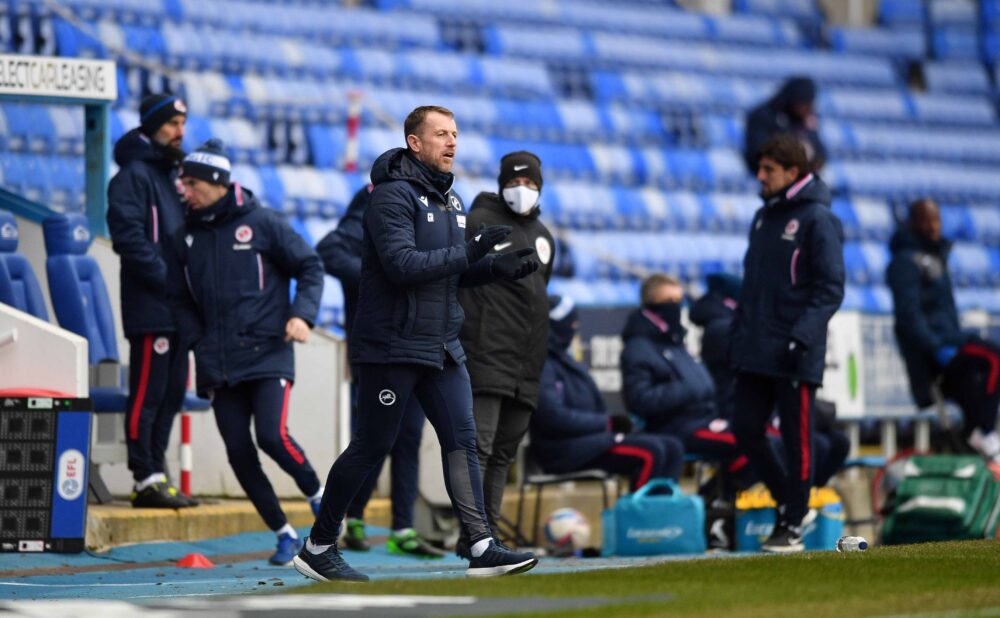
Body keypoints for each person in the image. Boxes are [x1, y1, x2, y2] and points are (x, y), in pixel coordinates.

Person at [296, 106, 540, 582]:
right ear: (414, 142)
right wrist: (471, 252)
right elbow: (403, 266)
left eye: (455, 134)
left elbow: (447, 273)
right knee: (372, 445)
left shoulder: (451, 199)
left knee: (462, 440)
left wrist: (493, 268)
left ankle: (481, 544)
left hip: (441, 343)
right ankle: (318, 545)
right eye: (441, 134)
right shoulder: (390, 196)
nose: (452, 142)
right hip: (393, 343)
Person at [171, 139, 327, 566]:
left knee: (272, 436)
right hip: (217, 361)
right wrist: (197, 340)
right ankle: (283, 534)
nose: (186, 190)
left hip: (267, 351)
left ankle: (319, 497)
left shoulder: (263, 222)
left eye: (192, 183)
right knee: (239, 450)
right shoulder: (184, 235)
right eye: (183, 183)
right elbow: (178, 299)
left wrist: (302, 315)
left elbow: (310, 266)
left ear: (217, 182)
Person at [729, 134, 845, 553]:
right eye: (760, 168)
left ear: (793, 172)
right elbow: (752, 287)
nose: (760, 177)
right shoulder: (763, 218)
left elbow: (830, 289)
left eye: (769, 170)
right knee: (745, 428)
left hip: (795, 351)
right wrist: (738, 338)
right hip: (756, 349)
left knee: (798, 441)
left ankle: (792, 523)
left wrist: (801, 336)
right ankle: (790, 503)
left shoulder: (817, 219)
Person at [315, 185, 443, 559]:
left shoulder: (419, 215)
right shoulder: (374, 207)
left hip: (416, 346)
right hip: (378, 350)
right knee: (375, 439)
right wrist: (378, 276)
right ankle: (352, 517)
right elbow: (328, 249)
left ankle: (402, 527)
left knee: (408, 438)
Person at [458, 151, 555, 544]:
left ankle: (489, 535)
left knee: (503, 456)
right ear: (501, 185)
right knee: (479, 449)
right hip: (486, 353)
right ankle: (475, 534)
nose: (521, 189)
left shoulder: (544, 237)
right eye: (514, 182)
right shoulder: (478, 222)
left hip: (526, 363)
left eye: (529, 183)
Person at [106, 93, 195, 509]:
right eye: (173, 124)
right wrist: (169, 280)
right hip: (150, 307)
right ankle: (144, 477)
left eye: (183, 124)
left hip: (179, 309)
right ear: (153, 125)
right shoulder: (132, 176)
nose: (180, 132)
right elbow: (129, 240)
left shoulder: (174, 174)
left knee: (173, 393)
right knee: (148, 393)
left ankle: (159, 473)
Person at [690, 274, 850, 490]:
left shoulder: (743, 324)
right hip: (739, 411)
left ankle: (802, 496)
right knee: (784, 445)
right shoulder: (721, 330)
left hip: (763, 407)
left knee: (836, 442)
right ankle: (721, 495)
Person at [887, 198, 1000, 463]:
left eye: (936, 219)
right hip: (936, 351)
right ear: (912, 223)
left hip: (949, 341)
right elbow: (908, 316)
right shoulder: (906, 262)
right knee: (993, 358)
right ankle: (982, 431)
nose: (933, 226)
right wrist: (935, 347)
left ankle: (974, 434)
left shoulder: (935, 256)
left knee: (977, 381)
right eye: (926, 220)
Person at [532, 295, 684, 491]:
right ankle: (640, 511)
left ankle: (664, 509)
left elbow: (595, 407)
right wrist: (607, 424)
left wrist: (611, 425)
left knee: (673, 446)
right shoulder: (541, 364)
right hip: (560, 450)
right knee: (651, 452)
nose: (575, 328)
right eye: (571, 323)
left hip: (590, 440)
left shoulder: (567, 360)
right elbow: (552, 417)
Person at [620, 274, 754, 498]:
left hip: (704, 420)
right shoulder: (639, 347)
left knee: (760, 441)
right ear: (651, 305)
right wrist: (686, 390)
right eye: (669, 301)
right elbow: (639, 399)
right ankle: (711, 501)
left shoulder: (676, 342)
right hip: (675, 427)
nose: (675, 307)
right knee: (751, 445)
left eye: (679, 301)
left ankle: (716, 503)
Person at [744, 76, 826, 174]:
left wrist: (809, 135)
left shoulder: (805, 120)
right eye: (805, 105)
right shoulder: (763, 116)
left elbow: (820, 156)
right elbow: (758, 154)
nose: (809, 109)